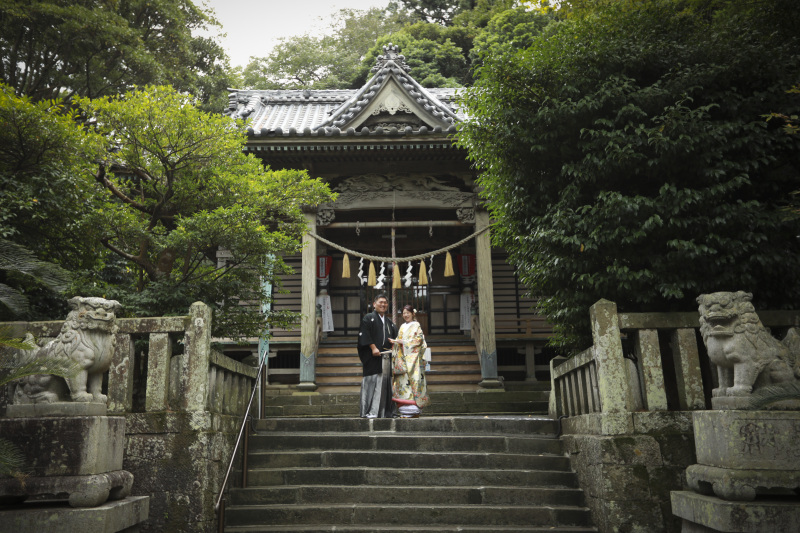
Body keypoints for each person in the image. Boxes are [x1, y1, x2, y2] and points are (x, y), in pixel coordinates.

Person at [357, 294, 397, 418]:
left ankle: (385, 412)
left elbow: (395, 337)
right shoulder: (368, 318)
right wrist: (373, 348)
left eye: (385, 302)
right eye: (380, 302)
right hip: (373, 357)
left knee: (385, 385)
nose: (383, 304)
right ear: (374, 304)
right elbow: (364, 334)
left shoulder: (389, 321)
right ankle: (370, 411)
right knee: (372, 383)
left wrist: (393, 343)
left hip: (386, 357)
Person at [389, 305, 429, 418]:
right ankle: (404, 411)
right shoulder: (402, 326)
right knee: (403, 384)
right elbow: (399, 341)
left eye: (408, 313)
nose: (406, 315)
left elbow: (419, 340)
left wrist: (402, 342)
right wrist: (395, 342)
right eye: (404, 313)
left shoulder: (416, 325)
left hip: (413, 361)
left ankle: (414, 410)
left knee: (413, 383)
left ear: (413, 313)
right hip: (402, 360)